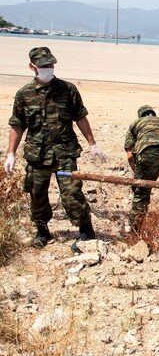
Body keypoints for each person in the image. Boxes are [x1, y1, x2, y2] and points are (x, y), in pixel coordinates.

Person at [4, 46, 107, 247]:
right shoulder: (24, 94)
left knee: (72, 193)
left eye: (51, 64)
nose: (48, 68)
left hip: (64, 153)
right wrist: (11, 154)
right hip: (37, 155)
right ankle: (42, 232)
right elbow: (17, 125)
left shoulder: (68, 90)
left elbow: (80, 117)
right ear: (32, 67)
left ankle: (86, 231)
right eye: (43, 65)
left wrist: (92, 144)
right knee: (37, 194)